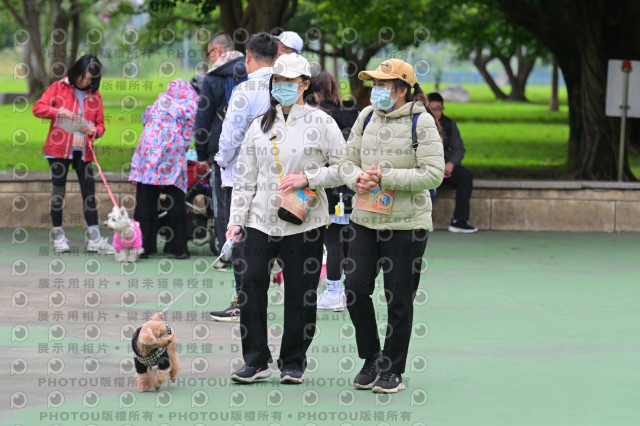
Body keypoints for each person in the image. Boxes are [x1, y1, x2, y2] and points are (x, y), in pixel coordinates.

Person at [226, 53, 345, 384]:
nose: (281, 87)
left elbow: (344, 168)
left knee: (301, 292)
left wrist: (309, 178)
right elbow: (244, 178)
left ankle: (293, 362)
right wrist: (236, 220)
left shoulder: (322, 123)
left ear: (304, 85)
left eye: (289, 81)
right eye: (277, 81)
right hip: (259, 220)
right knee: (250, 285)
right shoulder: (259, 125)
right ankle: (255, 360)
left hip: (304, 220)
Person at [339, 59, 444, 393]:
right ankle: (372, 357)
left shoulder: (421, 122)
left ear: (401, 89)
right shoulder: (366, 116)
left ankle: (392, 368)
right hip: (364, 220)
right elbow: (346, 161)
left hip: (407, 225)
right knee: (355, 288)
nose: (376, 91)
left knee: (398, 298)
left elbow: (433, 174)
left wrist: (385, 177)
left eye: (383, 85)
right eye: (375, 85)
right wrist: (358, 178)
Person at [209, 32, 279, 322]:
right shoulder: (288, 86)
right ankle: (257, 299)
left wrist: (221, 161)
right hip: (279, 175)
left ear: (247, 56)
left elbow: (231, 136)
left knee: (238, 237)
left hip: (241, 177)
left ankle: (243, 300)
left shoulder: (245, 90)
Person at [33, 54, 114, 254]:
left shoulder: (95, 96)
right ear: (76, 71)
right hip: (58, 150)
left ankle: (95, 239)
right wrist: (58, 112)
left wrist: (94, 131)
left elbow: (101, 125)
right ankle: (59, 237)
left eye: (90, 79)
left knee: (89, 193)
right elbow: (38, 108)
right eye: (83, 77)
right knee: (58, 192)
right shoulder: (58, 87)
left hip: (83, 151)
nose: (85, 82)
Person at [129, 79, 199, 259]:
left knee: (145, 199)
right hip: (172, 153)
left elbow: (145, 119)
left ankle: (143, 246)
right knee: (176, 199)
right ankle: (178, 247)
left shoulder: (160, 101)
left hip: (148, 151)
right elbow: (189, 134)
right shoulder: (191, 106)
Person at [193, 33, 247, 256]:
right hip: (252, 147)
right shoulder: (251, 71)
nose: (209, 58)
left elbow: (203, 118)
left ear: (217, 51)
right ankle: (249, 251)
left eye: (209, 53)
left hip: (221, 149)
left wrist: (201, 152)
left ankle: (227, 252)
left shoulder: (212, 78)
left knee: (223, 200)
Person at [310, 71, 359, 311]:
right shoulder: (352, 112)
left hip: (330, 186)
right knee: (348, 241)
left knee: (333, 243)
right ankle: (348, 290)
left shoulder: (318, 117)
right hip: (351, 186)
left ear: (315, 92)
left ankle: (332, 292)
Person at [427, 92, 477, 233]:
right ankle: (424, 220)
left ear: (443, 109)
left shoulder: (449, 124)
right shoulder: (419, 123)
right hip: (426, 167)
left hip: (445, 168)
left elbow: (458, 148)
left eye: (438, 109)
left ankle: (459, 221)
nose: (435, 113)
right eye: (431, 109)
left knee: (465, 176)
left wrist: (451, 163)